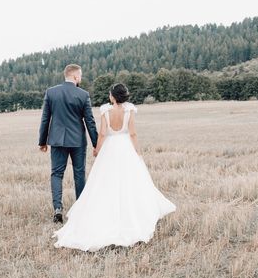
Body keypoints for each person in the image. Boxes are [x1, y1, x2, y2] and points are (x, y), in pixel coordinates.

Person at [52, 83, 176, 251]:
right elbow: (132, 133)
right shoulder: (129, 110)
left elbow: (102, 133)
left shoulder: (105, 111)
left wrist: (97, 149)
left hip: (109, 148)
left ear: (112, 96)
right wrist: (137, 151)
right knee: (130, 182)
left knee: (104, 183)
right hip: (125, 147)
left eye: (110, 94)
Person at [38, 64, 98, 223]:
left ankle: (58, 208)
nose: (81, 78)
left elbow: (45, 119)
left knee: (56, 174)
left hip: (57, 140)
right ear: (75, 76)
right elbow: (90, 121)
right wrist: (96, 143)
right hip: (77, 140)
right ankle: (80, 208)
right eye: (81, 75)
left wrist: (42, 141)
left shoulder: (51, 92)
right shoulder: (83, 95)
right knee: (79, 173)